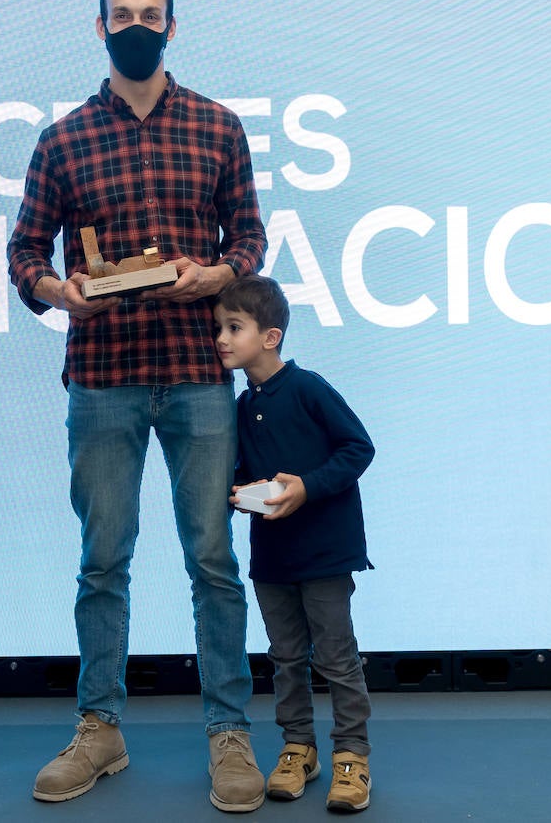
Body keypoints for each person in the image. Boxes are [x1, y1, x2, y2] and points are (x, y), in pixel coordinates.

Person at [7, 0, 268, 813]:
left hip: (197, 375)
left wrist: (215, 275)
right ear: (99, 27)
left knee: (213, 562)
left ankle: (229, 731)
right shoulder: (64, 138)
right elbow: (23, 255)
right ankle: (100, 729)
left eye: (150, 13)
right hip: (105, 380)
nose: (136, 27)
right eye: (121, 14)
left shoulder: (219, 128)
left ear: (173, 25)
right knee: (102, 563)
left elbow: (251, 242)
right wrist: (57, 292)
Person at [215, 274, 377, 813]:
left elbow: (358, 448)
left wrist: (307, 486)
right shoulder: (241, 406)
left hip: (327, 552)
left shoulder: (308, 388)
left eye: (233, 327)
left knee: (335, 656)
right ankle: (297, 748)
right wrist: (239, 493)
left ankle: (353, 755)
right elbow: (245, 471)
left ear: (271, 336)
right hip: (274, 557)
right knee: (286, 657)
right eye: (219, 327)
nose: (221, 338)